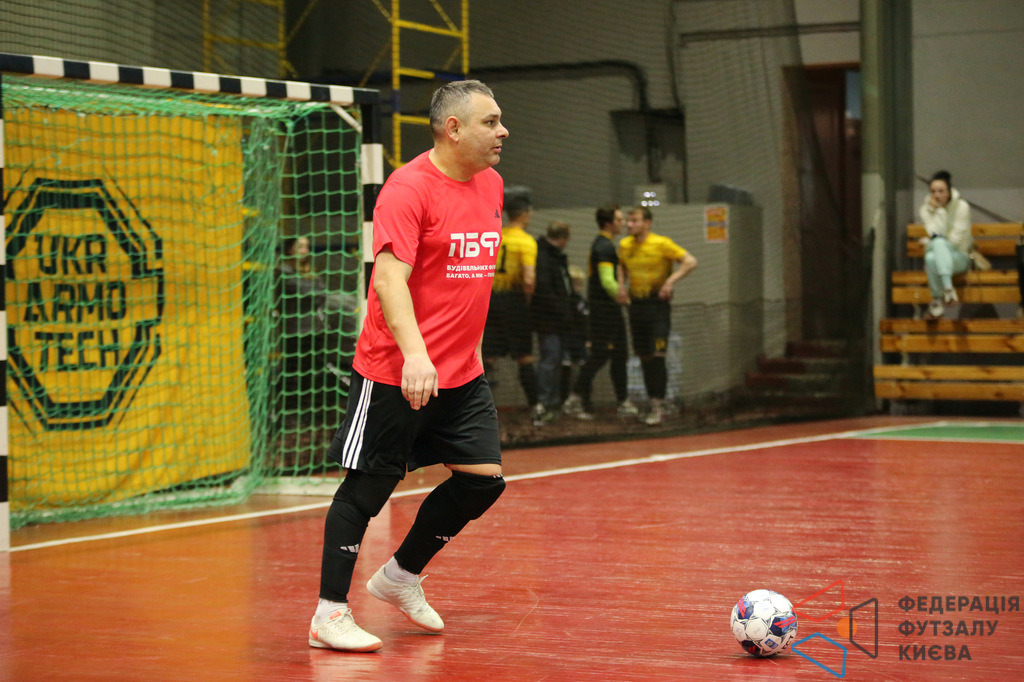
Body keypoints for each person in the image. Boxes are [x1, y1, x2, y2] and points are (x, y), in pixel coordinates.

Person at [309, 79, 509, 653]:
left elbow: (467, 282)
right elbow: (388, 279)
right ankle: (329, 613)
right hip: (397, 369)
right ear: (453, 129)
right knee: (368, 489)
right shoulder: (407, 189)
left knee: (482, 482)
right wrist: (417, 354)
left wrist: (465, 350)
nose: (502, 131)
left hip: (461, 373)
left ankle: (399, 577)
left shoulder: (491, 184)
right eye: (490, 122)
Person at [618, 206, 697, 426]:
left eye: (634, 220)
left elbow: (691, 262)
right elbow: (621, 266)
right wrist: (621, 286)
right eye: (628, 221)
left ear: (647, 223)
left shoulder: (662, 243)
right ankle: (652, 402)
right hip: (636, 307)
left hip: (657, 307)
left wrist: (669, 282)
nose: (629, 224)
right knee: (643, 356)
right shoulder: (624, 245)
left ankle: (658, 406)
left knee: (657, 354)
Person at [562, 205, 639, 421]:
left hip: (610, 309)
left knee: (620, 354)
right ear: (608, 223)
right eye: (619, 219)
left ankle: (623, 402)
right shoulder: (603, 246)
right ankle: (574, 399)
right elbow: (607, 281)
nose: (623, 223)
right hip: (604, 311)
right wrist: (625, 298)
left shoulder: (607, 244)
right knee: (600, 354)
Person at [277, 236, 357, 415]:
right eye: (300, 246)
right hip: (295, 332)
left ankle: (307, 411)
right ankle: (288, 411)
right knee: (293, 371)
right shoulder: (283, 272)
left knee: (312, 372)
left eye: (306, 247)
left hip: (315, 330)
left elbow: (321, 291)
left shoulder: (308, 272)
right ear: (290, 249)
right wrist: (313, 290)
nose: (305, 251)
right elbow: (309, 291)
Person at [482, 186, 541, 419]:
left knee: (488, 357)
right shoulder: (526, 242)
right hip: (515, 303)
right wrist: (526, 302)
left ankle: (479, 408)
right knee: (524, 356)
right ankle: (536, 407)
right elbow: (529, 279)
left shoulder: (497, 236)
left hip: (491, 300)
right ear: (525, 214)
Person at [531, 220, 573, 424]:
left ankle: (553, 402)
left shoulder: (555, 257)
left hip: (559, 320)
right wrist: (561, 311)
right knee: (550, 360)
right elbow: (545, 289)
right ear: (563, 239)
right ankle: (544, 402)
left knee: (556, 360)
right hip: (549, 319)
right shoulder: (544, 256)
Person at [918, 170, 972, 319]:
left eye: (941, 191)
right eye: (933, 191)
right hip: (941, 255)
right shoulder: (925, 210)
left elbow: (954, 242)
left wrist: (931, 242)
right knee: (932, 254)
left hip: (959, 257)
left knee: (933, 252)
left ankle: (937, 301)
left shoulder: (961, 207)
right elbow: (936, 233)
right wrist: (939, 211)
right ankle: (948, 291)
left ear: (949, 192)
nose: (937, 195)